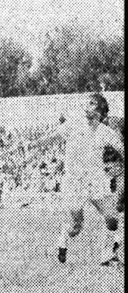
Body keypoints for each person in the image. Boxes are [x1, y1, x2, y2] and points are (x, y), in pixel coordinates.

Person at [27, 93, 124, 265]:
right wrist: (34, 144)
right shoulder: (73, 124)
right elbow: (53, 136)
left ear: (101, 110)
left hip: (96, 179)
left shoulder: (106, 133)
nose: (86, 106)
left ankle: (106, 255)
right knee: (76, 227)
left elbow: (122, 149)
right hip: (74, 182)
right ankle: (63, 237)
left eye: (92, 104)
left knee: (112, 218)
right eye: (86, 103)